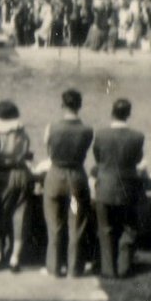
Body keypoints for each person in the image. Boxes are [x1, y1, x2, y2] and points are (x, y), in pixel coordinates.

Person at [41, 89, 93, 278]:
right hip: (77, 176)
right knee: (76, 225)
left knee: (54, 225)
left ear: (62, 105)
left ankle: (53, 267)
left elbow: (48, 149)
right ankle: (74, 269)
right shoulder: (87, 130)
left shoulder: (52, 127)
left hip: (55, 174)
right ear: (79, 106)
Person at [90, 98, 144, 279]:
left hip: (105, 185)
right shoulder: (138, 137)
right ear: (128, 114)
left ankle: (108, 268)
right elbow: (137, 160)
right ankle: (124, 266)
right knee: (129, 227)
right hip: (128, 186)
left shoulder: (100, 134)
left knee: (105, 228)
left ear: (112, 113)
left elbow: (98, 158)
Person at [0, 100, 33, 272]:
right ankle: (15, 256)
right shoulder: (22, 133)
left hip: (3, 174)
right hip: (21, 173)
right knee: (20, 215)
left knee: (0, 213)